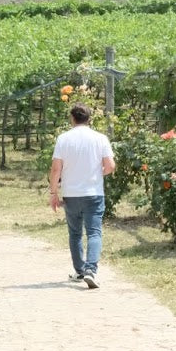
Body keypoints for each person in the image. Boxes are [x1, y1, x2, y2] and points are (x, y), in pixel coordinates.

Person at [49, 103, 116, 289]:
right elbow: (110, 166)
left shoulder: (63, 139)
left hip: (71, 193)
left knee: (75, 233)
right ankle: (91, 271)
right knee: (94, 232)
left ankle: (79, 271)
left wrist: (53, 193)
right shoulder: (100, 138)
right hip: (93, 193)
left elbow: (56, 169)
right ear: (89, 118)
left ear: (72, 118)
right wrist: (95, 174)